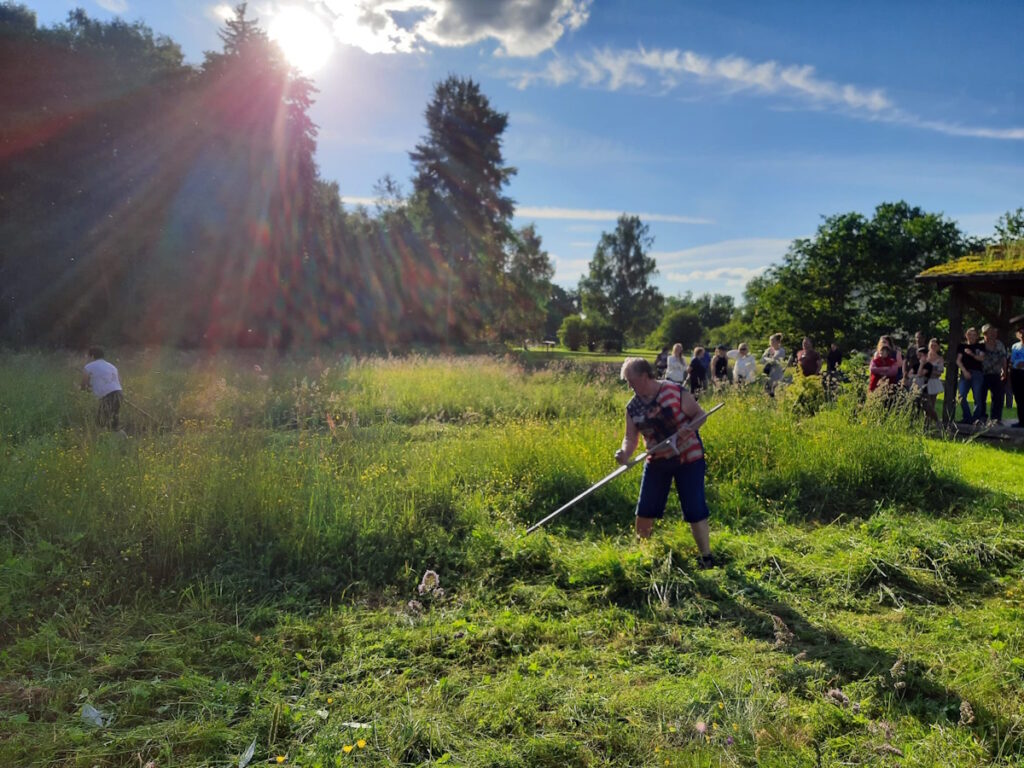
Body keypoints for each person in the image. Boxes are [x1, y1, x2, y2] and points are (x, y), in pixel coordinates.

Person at [615, 357, 716, 568]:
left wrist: (690, 428)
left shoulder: (674, 391)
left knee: (694, 508)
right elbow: (631, 437)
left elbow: (700, 414)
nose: (629, 385)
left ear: (644, 376)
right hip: (657, 460)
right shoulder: (633, 407)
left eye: (631, 380)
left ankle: (706, 557)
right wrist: (624, 453)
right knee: (645, 509)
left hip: (688, 458)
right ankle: (641, 557)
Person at [80, 346, 123, 430]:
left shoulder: (89, 367)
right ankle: (123, 439)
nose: (88, 358)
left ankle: (102, 440)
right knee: (114, 424)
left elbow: (83, 385)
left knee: (101, 422)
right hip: (119, 394)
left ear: (92, 356)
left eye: (88, 356)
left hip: (107, 397)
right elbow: (119, 381)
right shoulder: (112, 366)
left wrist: (83, 388)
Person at [979, 324, 1008, 424]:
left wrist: (1004, 371)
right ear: (984, 334)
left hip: (996, 374)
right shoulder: (980, 345)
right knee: (981, 396)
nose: (993, 335)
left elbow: (1003, 358)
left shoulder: (999, 344)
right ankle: (981, 417)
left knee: (998, 397)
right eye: (990, 333)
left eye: (994, 332)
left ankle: (996, 419)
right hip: (983, 374)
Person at [956, 327, 985, 423]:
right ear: (966, 335)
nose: (971, 337)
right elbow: (958, 360)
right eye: (969, 334)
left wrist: (972, 354)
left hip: (977, 373)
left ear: (977, 336)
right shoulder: (962, 346)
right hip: (965, 372)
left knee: (977, 396)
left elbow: (981, 358)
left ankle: (976, 418)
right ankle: (967, 417)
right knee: (961, 396)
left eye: (974, 335)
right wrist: (964, 371)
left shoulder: (980, 346)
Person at [917, 339, 944, 424]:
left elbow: (939, 373)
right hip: (923, 381)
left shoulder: (939, 359)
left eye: (935, 345)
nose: (933, 347)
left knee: (931, 404)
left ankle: (929, 422)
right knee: (924, 403)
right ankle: (927, 421)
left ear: (938, 347)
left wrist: (929, 371)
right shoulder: (925, 356)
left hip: (933, 382)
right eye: (931, 345)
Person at [1010, 324, 1024, 428]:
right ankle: (1021, 421)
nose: (1022, 334)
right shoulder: (1015, 346)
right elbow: (1012, 360)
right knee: (1019, 398)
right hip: (1016, 374)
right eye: (1021, 332)